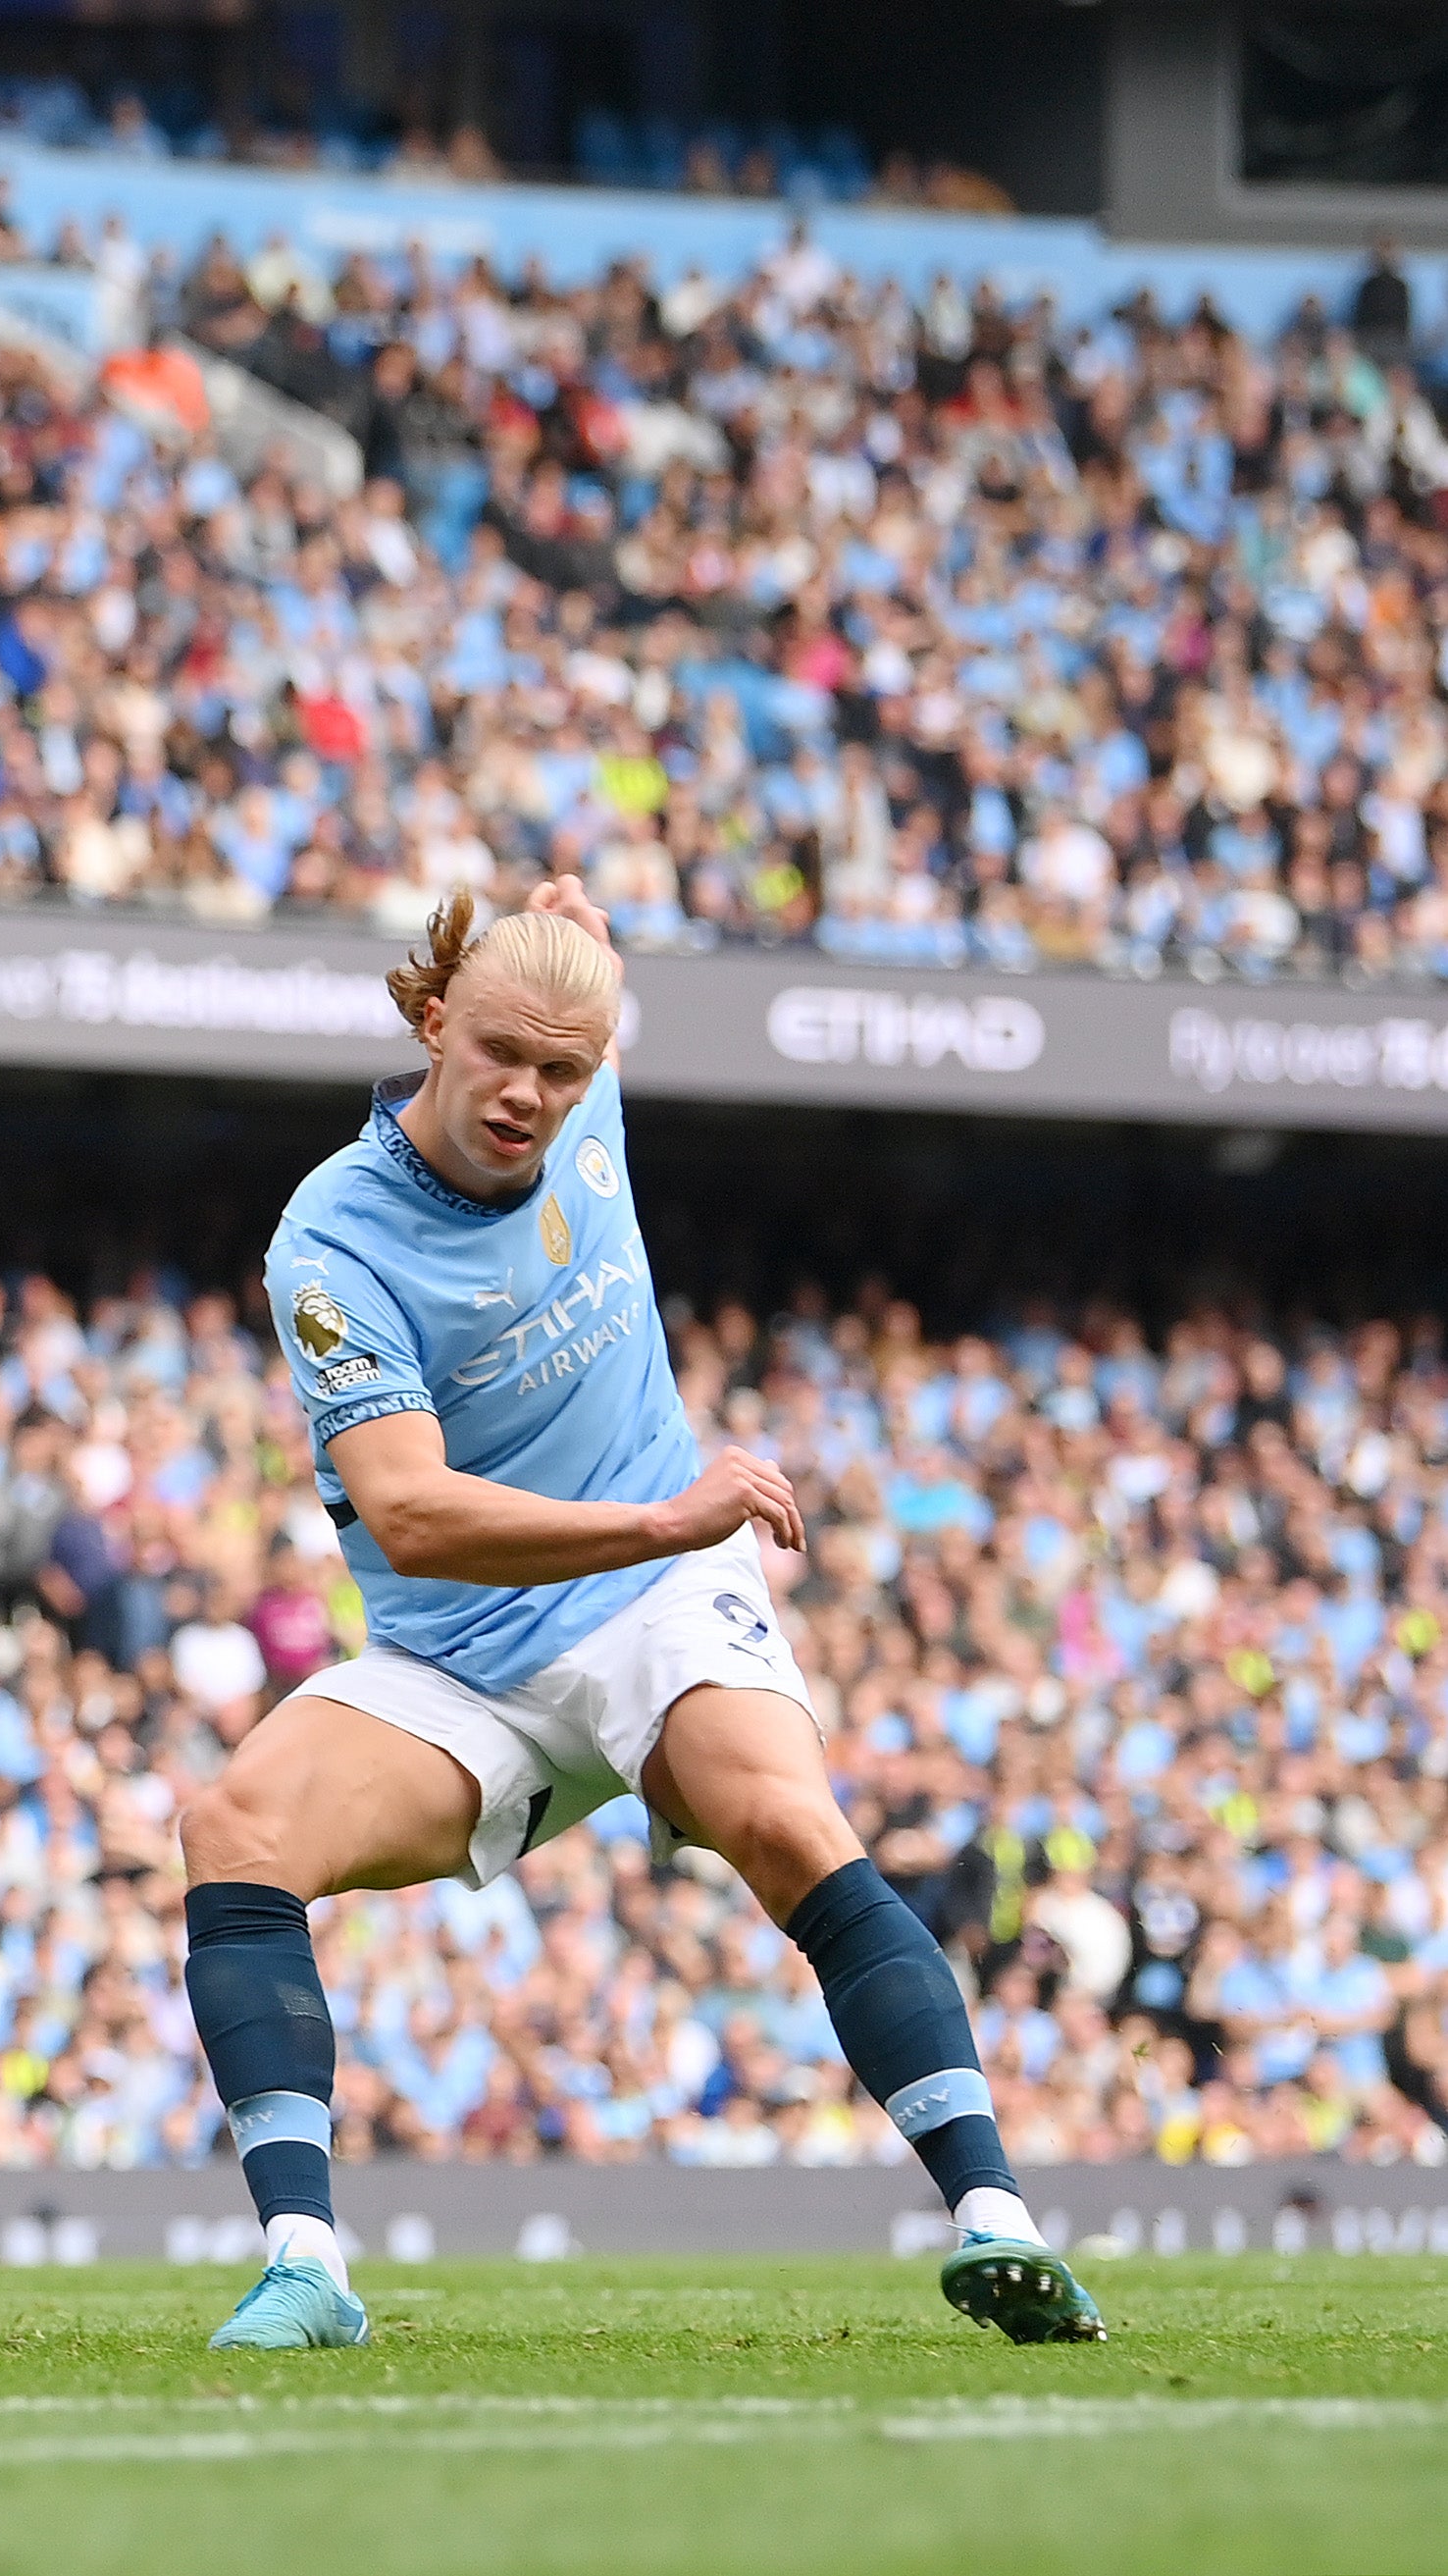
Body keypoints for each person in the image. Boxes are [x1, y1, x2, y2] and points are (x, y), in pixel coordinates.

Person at [181, 881, 1102, 2349]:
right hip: (467, 1649)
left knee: (788, 1825)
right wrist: (670, 1512)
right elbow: (411, 1513)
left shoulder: (583, 1077)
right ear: (431, 1025)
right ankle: (309, 2264)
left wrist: (570, 919)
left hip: (661, 1603)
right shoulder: (332, 1240)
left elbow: (576, 958)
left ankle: (999, 2222)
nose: (531, 1095)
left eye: (565, 1068)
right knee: (238, 1825)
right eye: (501, 1056)